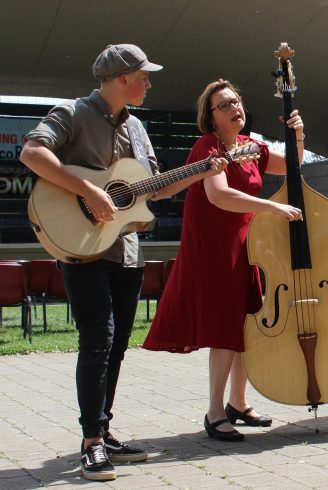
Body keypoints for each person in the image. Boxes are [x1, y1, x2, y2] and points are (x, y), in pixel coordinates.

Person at [19, 44, 223, 481]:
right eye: (144, 76)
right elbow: (32, 154)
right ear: (122, 78)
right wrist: (90, 191)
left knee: (115, 347)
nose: (149, 83)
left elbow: (152, 189)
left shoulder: (138, 128)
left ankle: (104, 431)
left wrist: (202, 171)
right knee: (98, 340)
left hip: (127, 251)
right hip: (83, 247)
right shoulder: (72, 113)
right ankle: (91, 443)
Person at [142, 79, 304, 440]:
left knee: (245, 325)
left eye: (236, 102)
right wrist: (272, 207)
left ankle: (238, 403)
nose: (234, 109)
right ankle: (215, 412)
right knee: (224, 329)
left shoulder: (250, 146)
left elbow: (292, 164)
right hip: (215, 246)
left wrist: (298, 134)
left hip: (248, 246)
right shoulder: (207, 145)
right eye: (224, 105)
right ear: (211, 117)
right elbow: (220, 197)